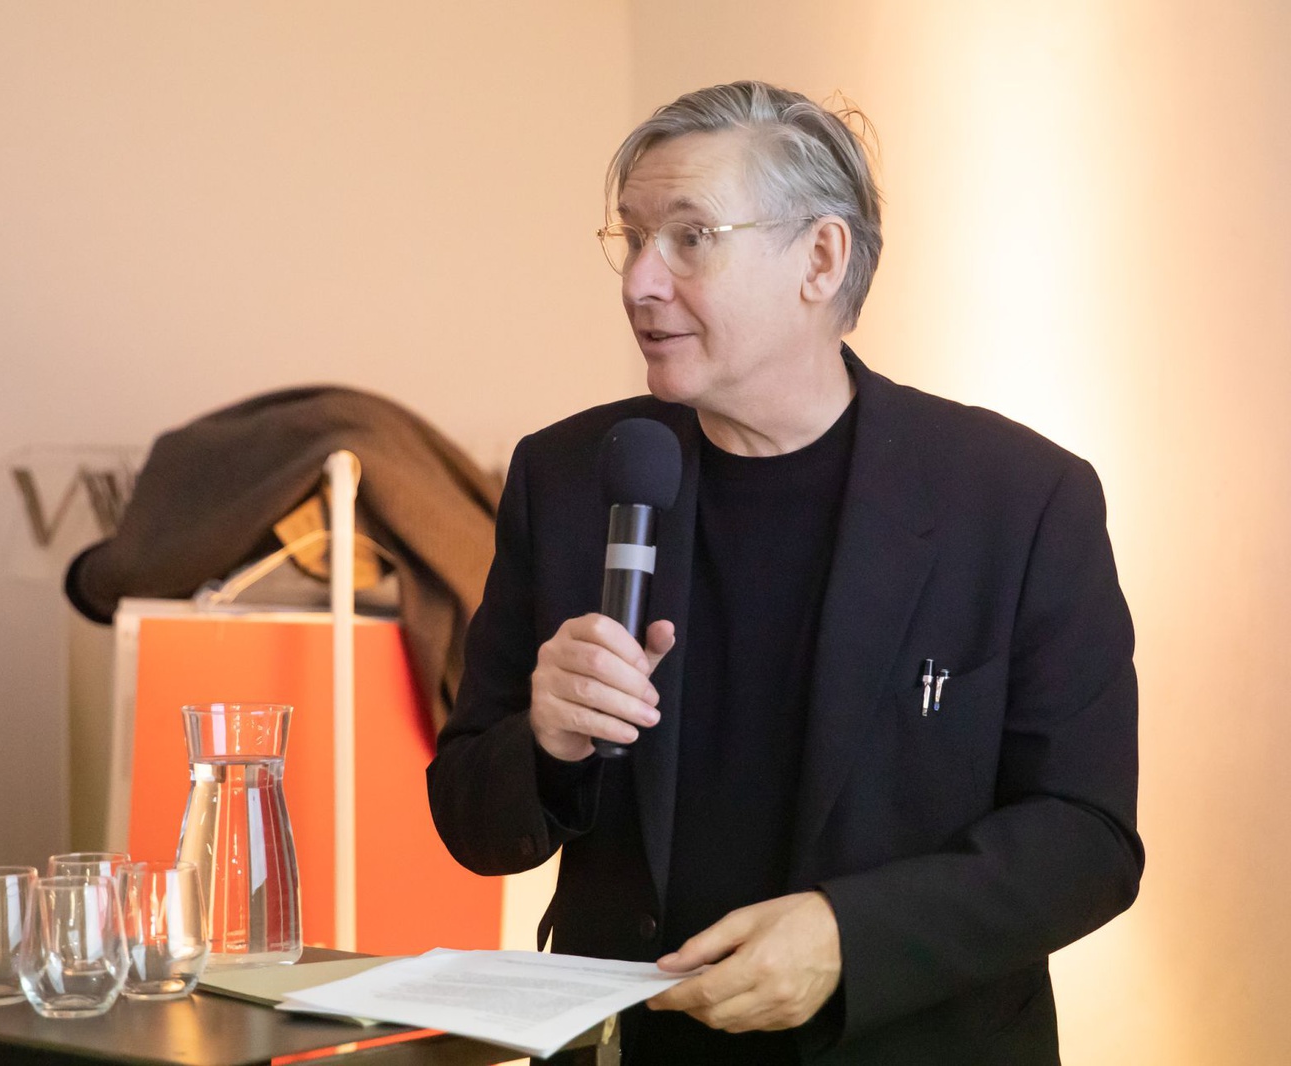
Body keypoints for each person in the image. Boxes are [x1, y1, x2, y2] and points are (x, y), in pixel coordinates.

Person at [426, 80, 1140, 1064]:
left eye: (689, 237)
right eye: (631, 238)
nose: (640, 280)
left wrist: (849, 937)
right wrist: (544, 740)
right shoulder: (569, 476)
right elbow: (471, 821)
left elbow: (1086, 839)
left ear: (820, 258)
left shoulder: (1019, 498)